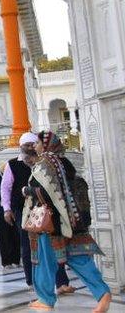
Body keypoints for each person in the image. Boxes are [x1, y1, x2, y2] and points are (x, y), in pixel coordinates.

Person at [26, 131, 111, 312]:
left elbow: (46, 193)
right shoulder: (64, 162)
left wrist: (28, 191)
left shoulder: (45, 163)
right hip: (71, 221)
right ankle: (103, 293)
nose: (35, 146)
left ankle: (45, 299)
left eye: (38, 142)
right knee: (77, 258)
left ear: (47, 144)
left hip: (50, 225)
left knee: (45, 261)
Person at [2, 132, 40, 287]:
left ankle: (48, 278)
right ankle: (30, 280)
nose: (30, 148)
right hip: (21, 210)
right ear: (21, 147)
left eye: (33, 144)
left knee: (45, 244)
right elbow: (5, 188)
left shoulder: (41, 161)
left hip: (43, 209)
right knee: (26, 244)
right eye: (27, 145)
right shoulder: (12, 164)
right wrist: (7, 209)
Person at [0, 162, 21, 269]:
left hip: (11, 211)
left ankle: (16, 260)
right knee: (4, 237)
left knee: (15, 236)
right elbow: (1, 193)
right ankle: (6, 262)